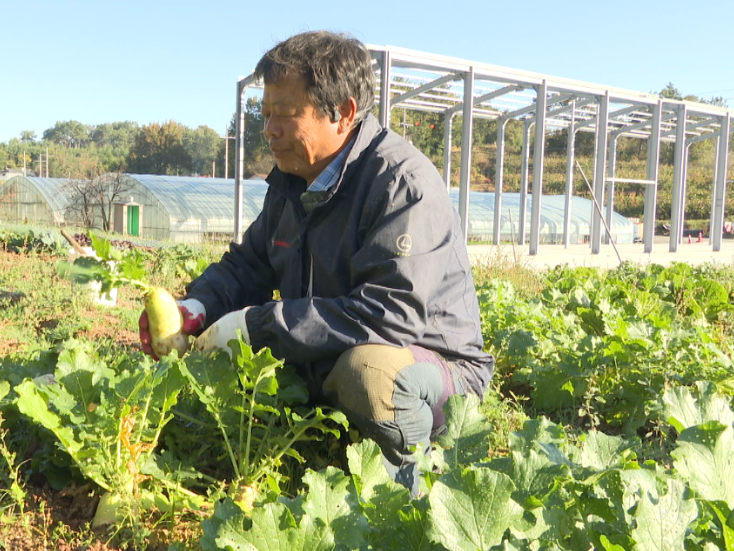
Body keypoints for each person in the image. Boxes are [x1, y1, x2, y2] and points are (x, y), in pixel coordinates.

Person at [138, 30, 494, 495]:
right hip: (332, 349)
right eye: (265, 115)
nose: (269, 129)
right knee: (251, 363)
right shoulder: (291, 181)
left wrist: (258, 327)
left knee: (367, 373)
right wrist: (197, 309)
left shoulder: (400, 184)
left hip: (434, 370)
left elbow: (388, 318)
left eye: (285, 116)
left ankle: (412, 492)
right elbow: (247, 265)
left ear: (344, 113)